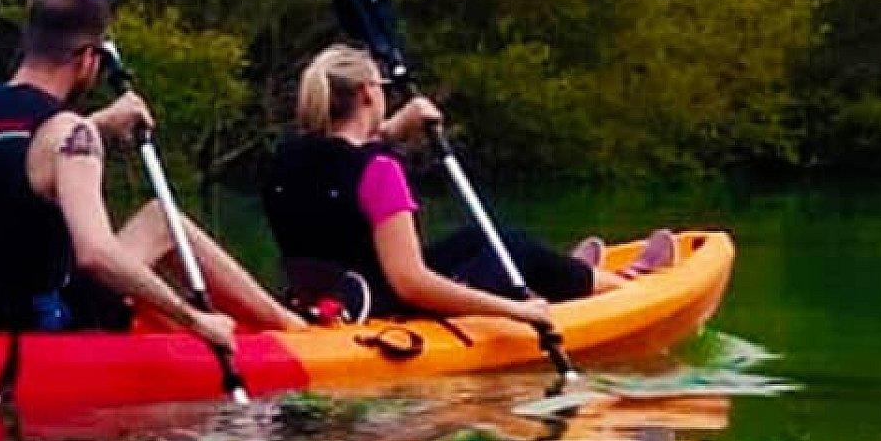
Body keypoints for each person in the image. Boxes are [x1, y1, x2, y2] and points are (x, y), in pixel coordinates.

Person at [0, 0, 303, 344]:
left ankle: (273, 325)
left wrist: (100, 123)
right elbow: (95, 254)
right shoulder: (70, 132)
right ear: (88, 59)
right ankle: (293, 330)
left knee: (151, 229)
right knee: (163, 222)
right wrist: (194, 321)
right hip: (32, 323)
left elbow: (12, 155)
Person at [261, 44, 674, 327]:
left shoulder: (284, 159)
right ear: (368, 93)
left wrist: (394, 127)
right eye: (382, 88)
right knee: (510, 245)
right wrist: (514, 311)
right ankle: (627, 289)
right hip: (384, 310)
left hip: (326, 300)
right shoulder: (379, 170)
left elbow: (339, 162)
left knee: (481, 237)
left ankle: (576, 276)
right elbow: (411, 283)